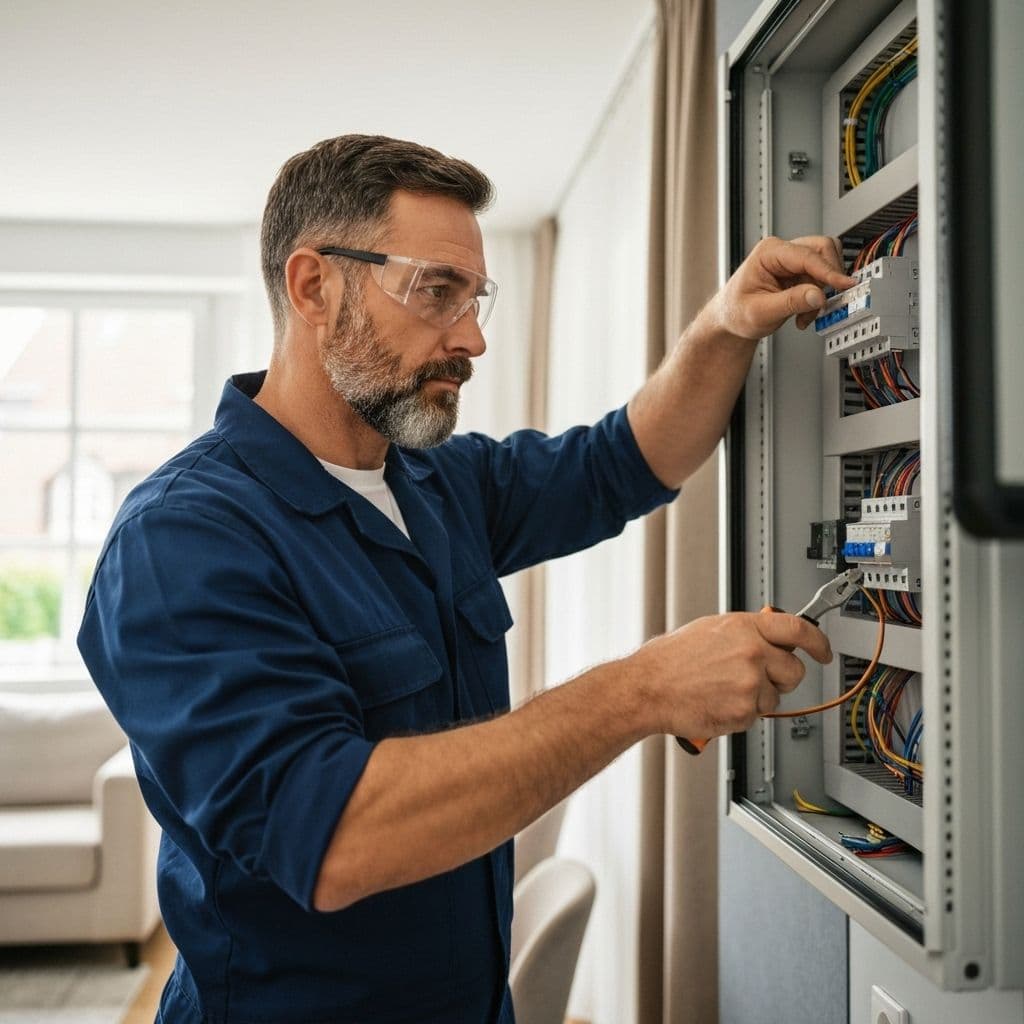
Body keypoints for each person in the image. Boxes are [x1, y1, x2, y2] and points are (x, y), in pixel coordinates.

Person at [78, 134, 854, 1024]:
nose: (473, 337)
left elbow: (623, 461)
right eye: (436, 292)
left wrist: (724, 324)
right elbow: (334, 835)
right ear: (313, 287)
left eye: (475, 296)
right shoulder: (183, 539)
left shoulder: (434, 479)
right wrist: (644, 691)